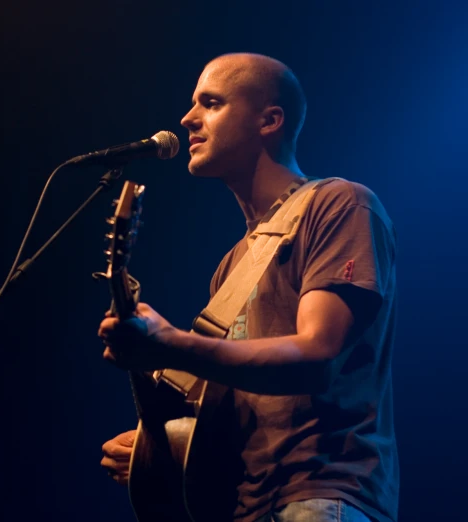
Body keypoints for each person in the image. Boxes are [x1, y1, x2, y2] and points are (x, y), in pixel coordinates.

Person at [97, 53, 399, 522]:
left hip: (322, 495)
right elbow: (238, 408)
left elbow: (317, 358)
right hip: (245, 508)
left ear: (269, 120)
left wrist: (172, 344)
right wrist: (159, 445)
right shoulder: (231, 266)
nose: (187, 119)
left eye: (211, 103)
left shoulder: (340, 205)